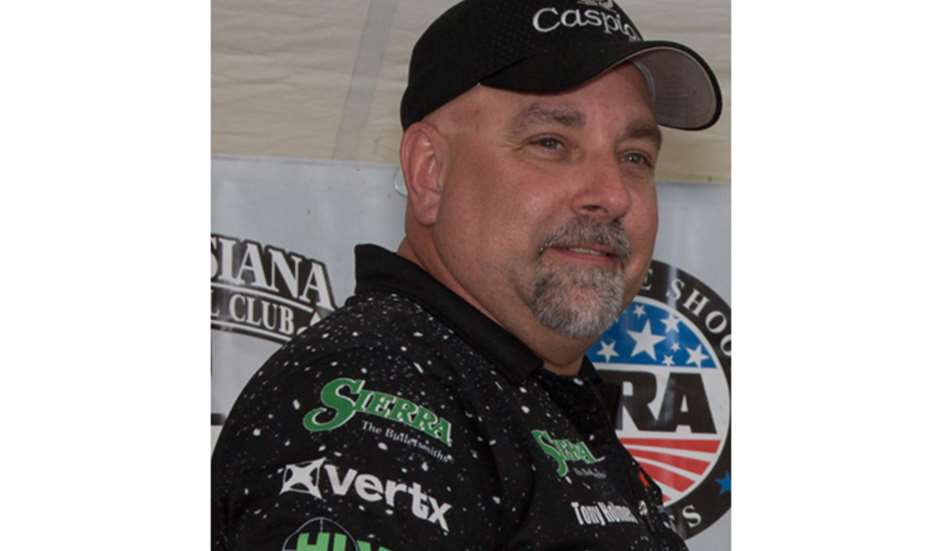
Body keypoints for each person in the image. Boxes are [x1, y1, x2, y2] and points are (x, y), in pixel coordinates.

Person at [212, 0, 721, 549]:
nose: (613, 194)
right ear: (429, 173)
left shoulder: (510, 392)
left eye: (635, 157)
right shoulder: (382, 391)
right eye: (550, 143)